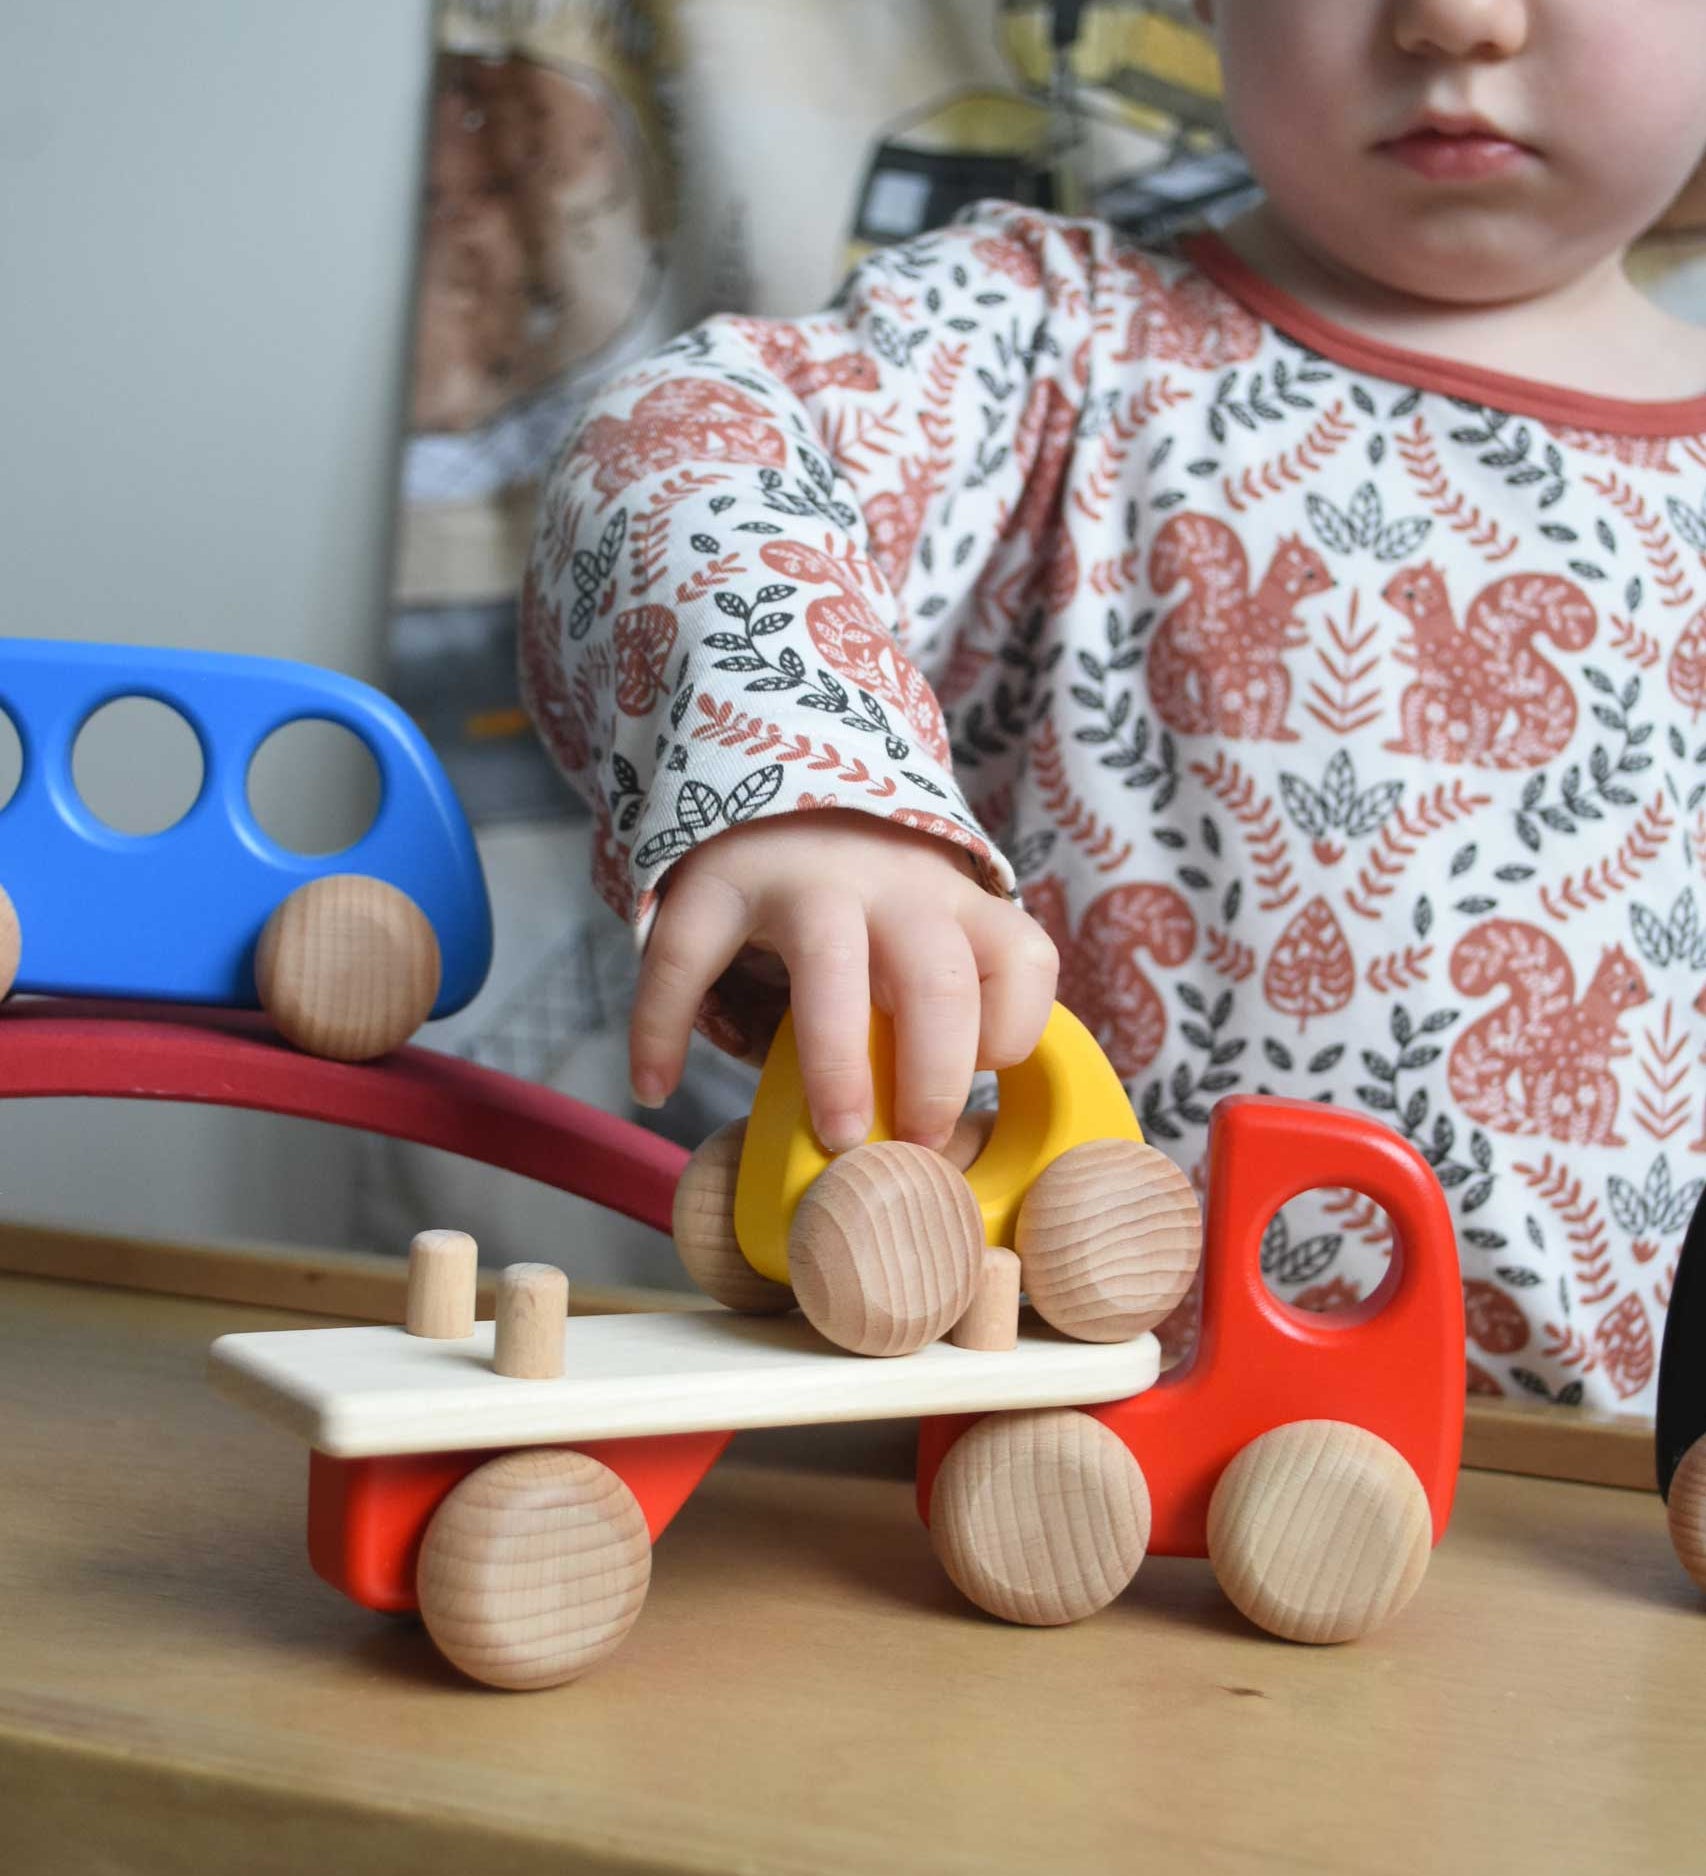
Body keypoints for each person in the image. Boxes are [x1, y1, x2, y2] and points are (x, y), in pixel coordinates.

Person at [520, 0, 1706, 1411]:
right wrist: (810, 771)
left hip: (1609, 1532)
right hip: (1067, 1453)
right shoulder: (1050, 344)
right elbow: (683, 443)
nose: (1454, 15)